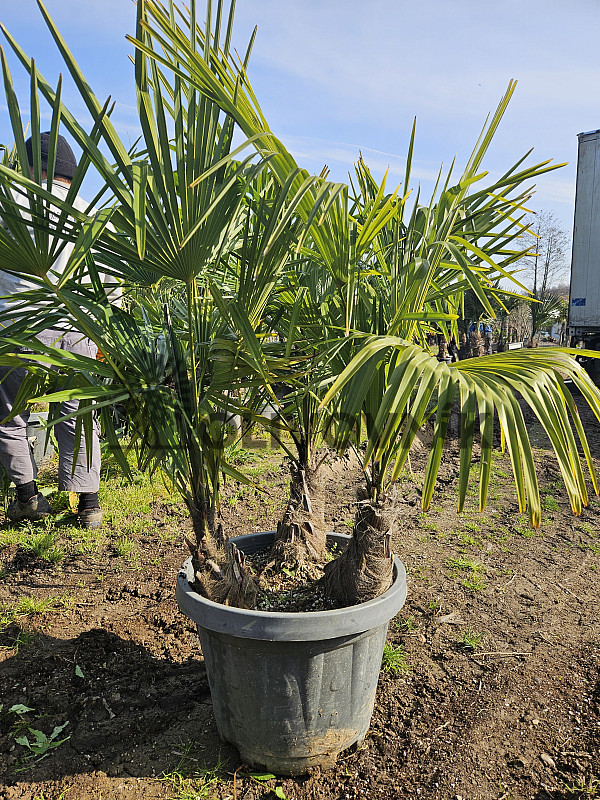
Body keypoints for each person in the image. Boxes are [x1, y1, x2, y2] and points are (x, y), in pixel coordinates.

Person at [0, 133, 107, 527]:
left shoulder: (7, 200)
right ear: (69, 174)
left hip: (16, 324)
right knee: (77, 414)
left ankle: (28, 498)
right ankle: (89, 503)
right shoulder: (86, 212)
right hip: (75, 328)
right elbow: (107, 281)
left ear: (30, 166)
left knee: (12, 413)